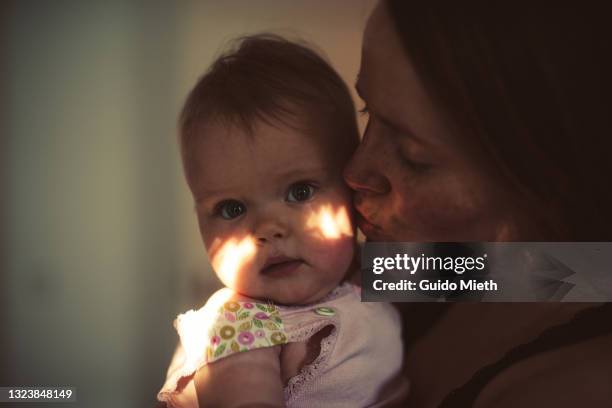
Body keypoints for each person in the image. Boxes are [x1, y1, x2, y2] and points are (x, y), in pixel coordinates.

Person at [344, 1, 612, 407]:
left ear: (543, 178)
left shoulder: (577, 385)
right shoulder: (476, 266)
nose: (355, 170)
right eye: (367, 110)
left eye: (413, 157)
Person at [156, 34, 408, 407]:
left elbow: (501, 271)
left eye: (300, 192)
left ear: (350, 186)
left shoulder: (362, 269)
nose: (268, 229)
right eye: (232, 209)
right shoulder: (238, 323)